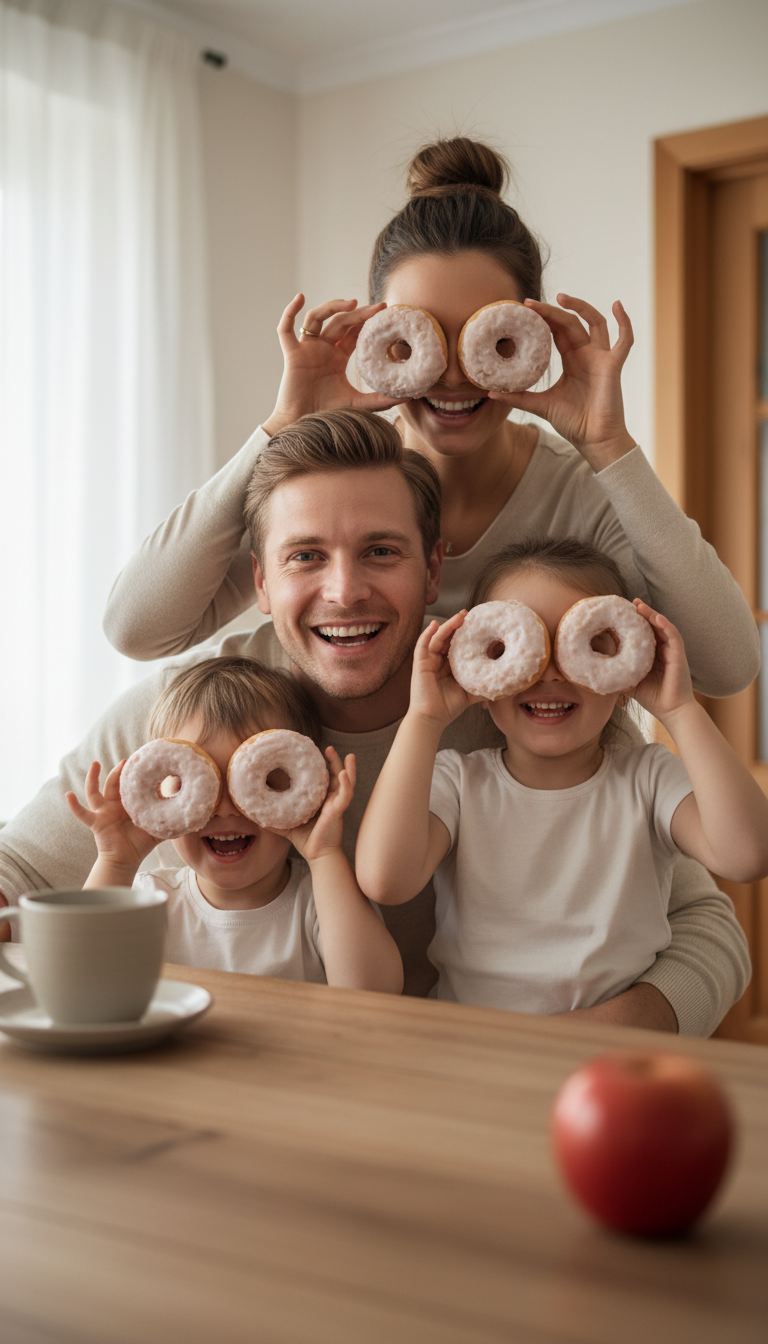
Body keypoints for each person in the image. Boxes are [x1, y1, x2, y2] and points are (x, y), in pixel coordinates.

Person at [0, 409, 751, 1032]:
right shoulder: (187, 716)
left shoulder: (525, 705)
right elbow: (22, 872)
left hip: (471, 1072)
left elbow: (708, 925)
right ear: (260, 581)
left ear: (432, 569)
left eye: (381, 551)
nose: (344, 590)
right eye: (305, 557)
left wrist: (587, 1039)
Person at [355, 539, 768, 1013]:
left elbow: (749, 855)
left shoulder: (649, 780)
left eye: (585, 646)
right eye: (515, 649)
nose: (547, 673)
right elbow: (385, 880)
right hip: (476, 1045)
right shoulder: (459, 782)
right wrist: (423, 720)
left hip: (611, 1054)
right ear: (480, 675)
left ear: (624, 672)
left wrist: (679, 708)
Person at [65, 655, 402, 994]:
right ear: (157, 793)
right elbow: (76, 979)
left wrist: (325, 854)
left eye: (266, 780)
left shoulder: (323, 900)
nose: (225, 809)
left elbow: (376, 994)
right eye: (190, 783)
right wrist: (116, 862)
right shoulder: (149, 899)